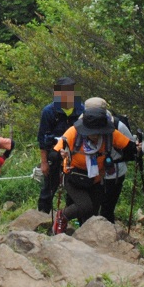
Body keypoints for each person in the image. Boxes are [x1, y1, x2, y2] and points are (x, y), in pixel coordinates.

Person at [52, 104, 143, 235]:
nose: (95, 135)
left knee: (92, 214)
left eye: (98, 131)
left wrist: (137, 148)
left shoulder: (110, 135)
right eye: (91, 132)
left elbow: (129, 147)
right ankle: (62, 216)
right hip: (73, 176)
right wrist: (59, 154)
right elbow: (54, 153)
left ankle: (84, 239)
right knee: (84, 206)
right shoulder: (73, 132)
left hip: (96, 179)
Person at [37, 77, 84, 213]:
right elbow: (42, 139)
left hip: (75, 156)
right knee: (48, 189)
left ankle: (69, 220)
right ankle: (42, 217)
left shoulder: (81, 109)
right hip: (54, 154)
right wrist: (44, 162)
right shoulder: (49, 111)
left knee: (74, 189)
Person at [83, 97, 134, 224]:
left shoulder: (117, 126)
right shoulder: (81, 125)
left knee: (107, 208)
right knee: (92, 206)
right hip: (91, 171)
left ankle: (105, 235)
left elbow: (130, 147)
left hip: (113, 172)